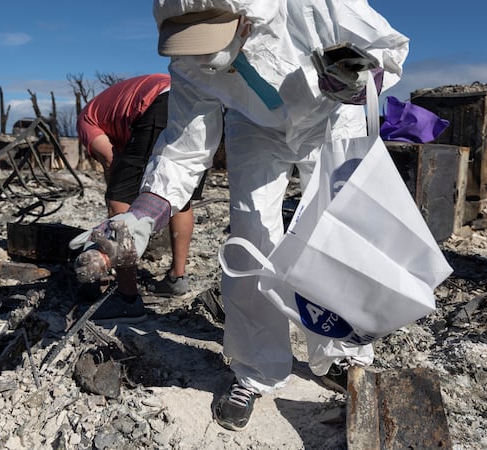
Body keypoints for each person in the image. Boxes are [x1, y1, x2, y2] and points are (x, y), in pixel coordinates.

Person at [71, 0, 409, 431]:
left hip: (334, 114)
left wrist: (362, 78)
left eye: (207, 36)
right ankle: (256, 369)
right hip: (256, 126)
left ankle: (342, 353)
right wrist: (142, 215)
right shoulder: (192, 60)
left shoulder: (314, 6)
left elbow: (389, 49)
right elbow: (185, 147)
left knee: (335, 231)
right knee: (251, 237)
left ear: (246, 15)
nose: (199, 52)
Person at [75, 74, 193, 323]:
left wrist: (116, 194)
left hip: (158, 105)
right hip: (194, 101)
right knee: (179, 194)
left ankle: (128, 300)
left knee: (120, 194)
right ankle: (177, 278)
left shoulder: (86, 120)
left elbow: (110, 159)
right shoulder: (118, 103)